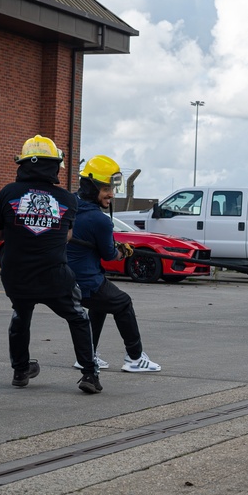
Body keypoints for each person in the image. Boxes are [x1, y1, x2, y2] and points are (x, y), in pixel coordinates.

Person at [0, 135, 102, 394]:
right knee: (77, 317)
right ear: (54, 167)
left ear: (24, 164)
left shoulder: (8, 193)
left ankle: (20, 370)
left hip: (16, 275)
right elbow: (67, 237)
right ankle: (89, 375)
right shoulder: (68, 199)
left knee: (21, 315)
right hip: (54, 275)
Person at [67, 155, 162, 373]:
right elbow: (110, 255)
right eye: (106, 188)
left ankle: (86, 355)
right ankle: (135, 358)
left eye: (112, 188)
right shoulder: (99, 220)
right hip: (86, 281)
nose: (111, 194)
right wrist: (122, 251)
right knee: (122, 302)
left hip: (68, 279)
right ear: (92, 189)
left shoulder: (70, 204)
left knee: (100, 306)